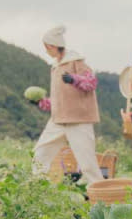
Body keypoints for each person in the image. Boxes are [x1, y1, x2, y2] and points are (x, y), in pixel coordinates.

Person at [30, 25, 104, 185]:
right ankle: (36, 188)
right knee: (40, 153)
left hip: (78, 120)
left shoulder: (76, 62)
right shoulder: (56, 67)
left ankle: (100, 196)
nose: (46, 50)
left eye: (47, 47)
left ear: (53, 45)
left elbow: (91, 83)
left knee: (87, 163)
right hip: (59, 120)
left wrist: (74, 79)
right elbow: (60, 101)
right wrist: (41, 103)